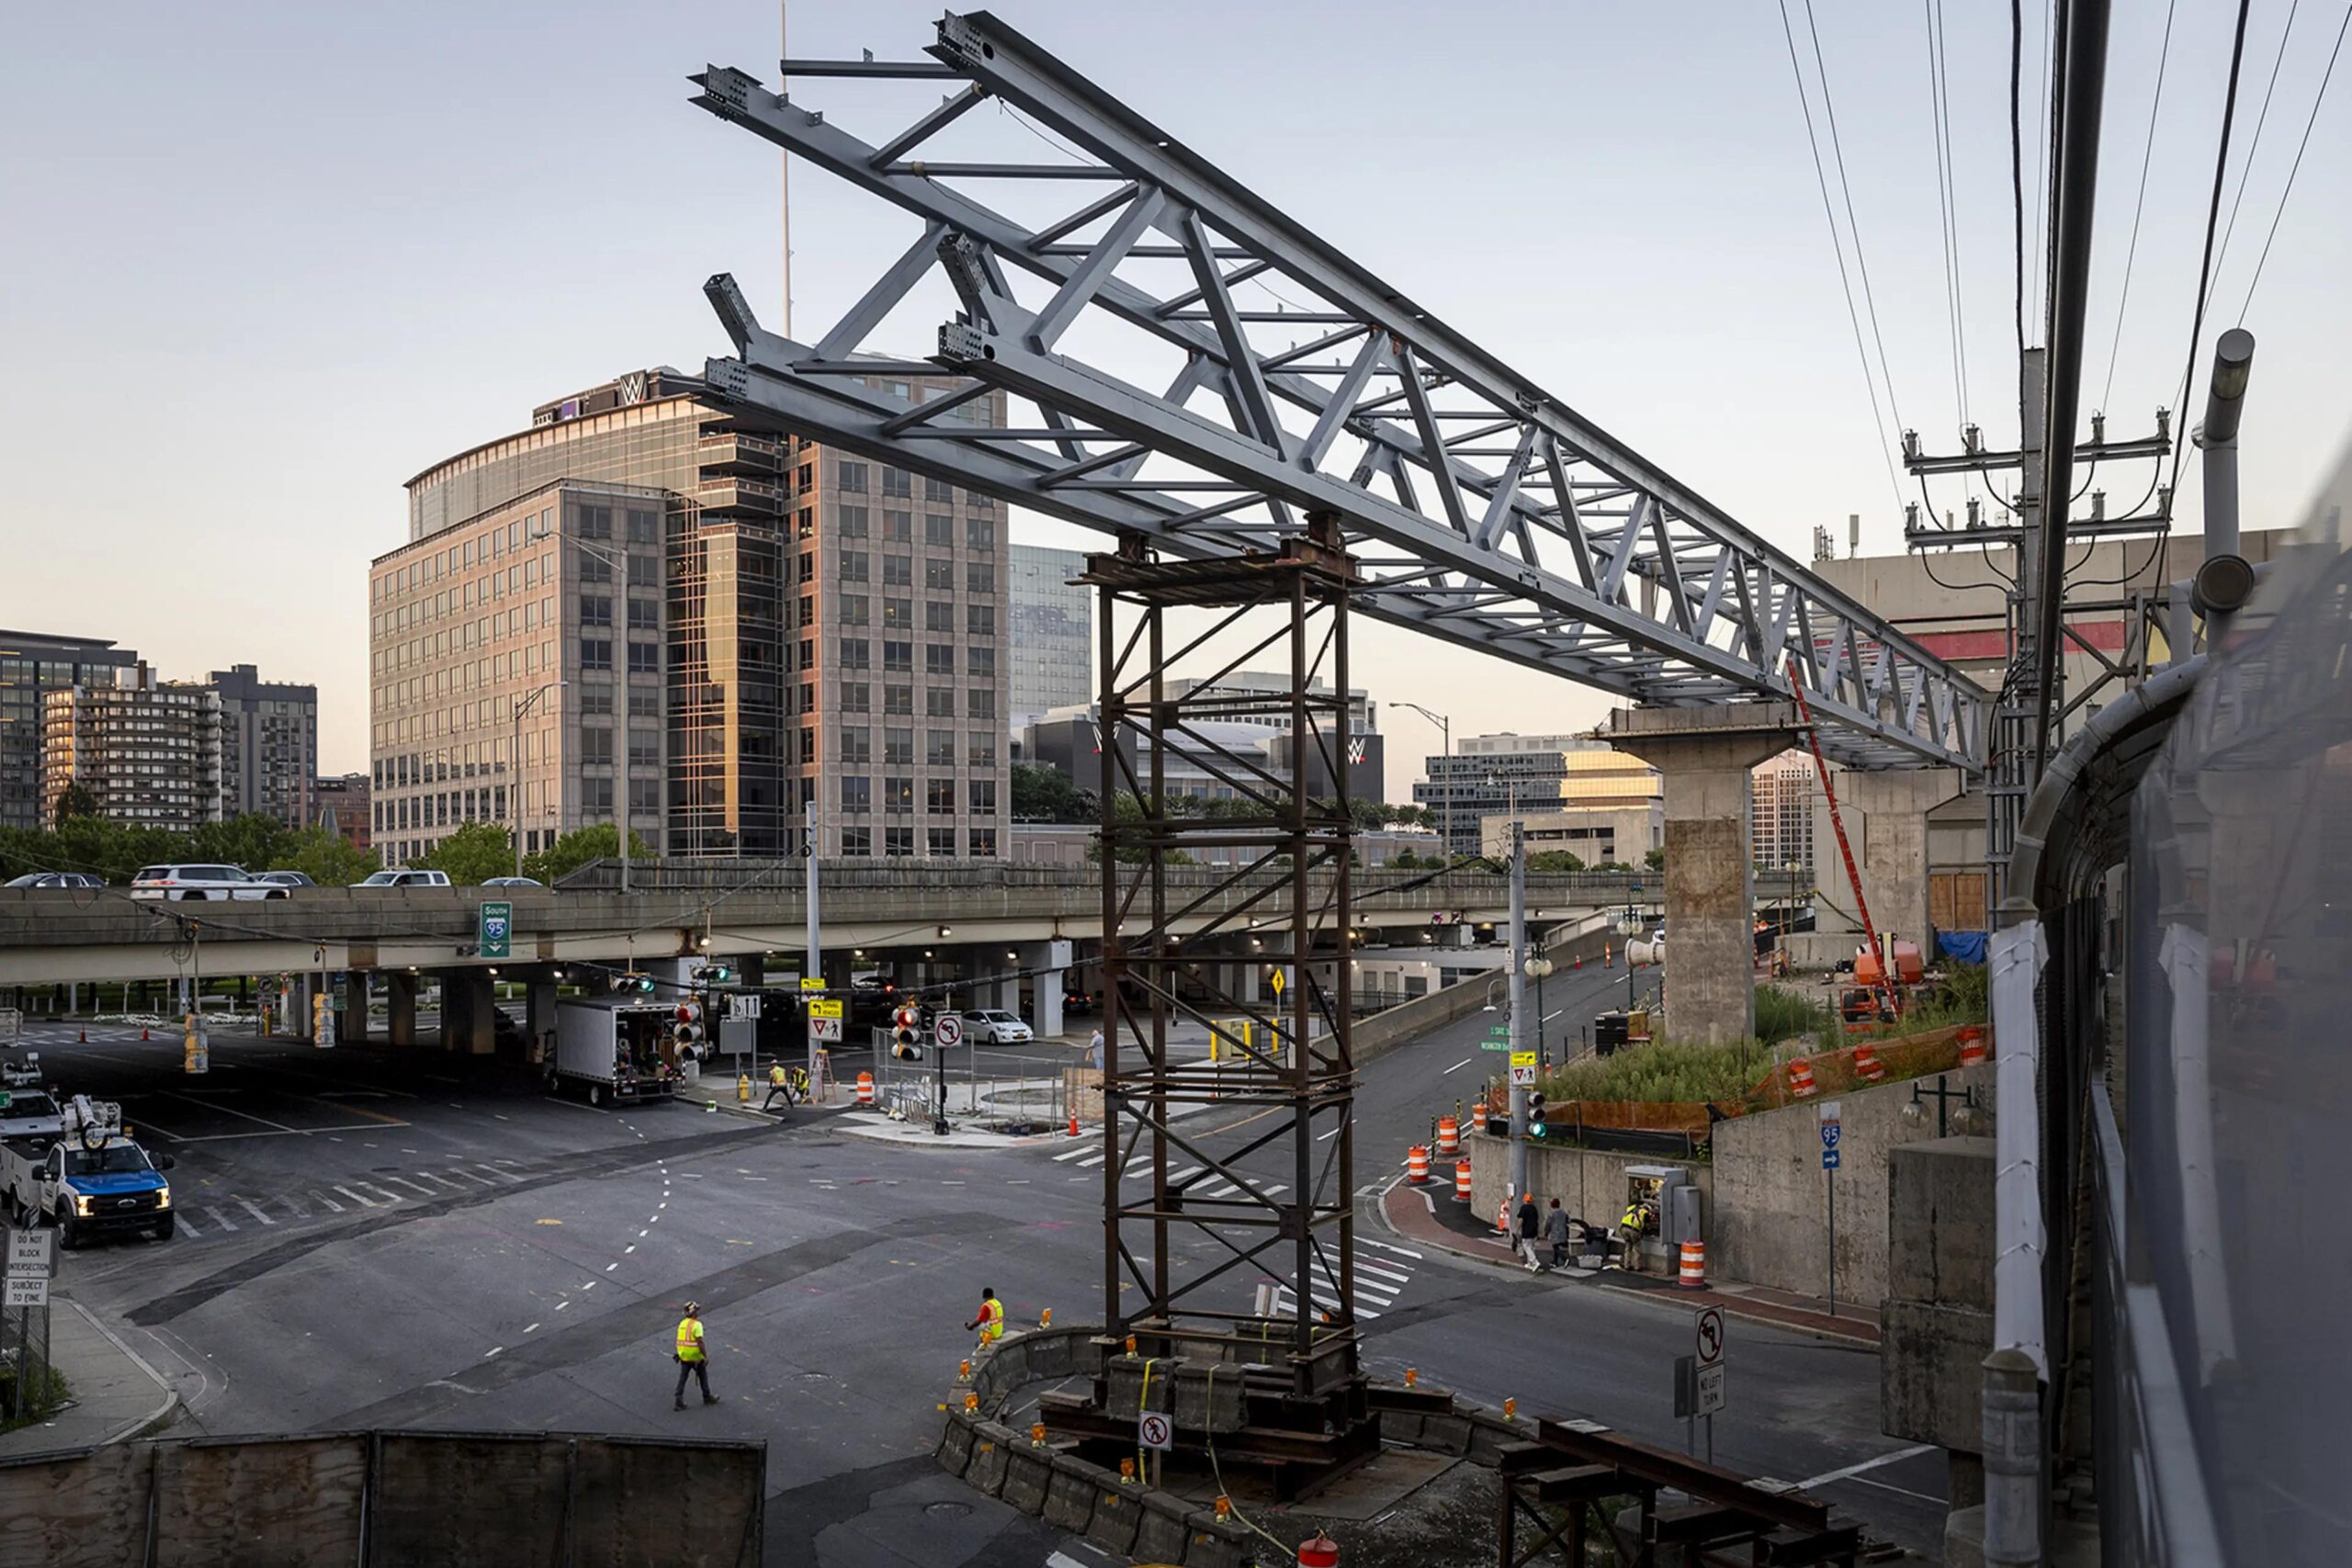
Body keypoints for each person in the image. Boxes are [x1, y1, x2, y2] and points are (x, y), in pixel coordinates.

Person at [673, 1300, 718, 1410]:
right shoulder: (697, 1325)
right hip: (695, 1356)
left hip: (684, 1355)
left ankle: (678, 1398)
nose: (698, 1312)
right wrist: (705, 1356)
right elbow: (700, 1342)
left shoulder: (682, 1323)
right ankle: (707, 1396)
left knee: (683, 1377)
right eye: (696, 1310)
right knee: (702, 1375)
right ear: (693, 1313)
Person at [965, 1286, 1007, 1351]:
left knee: (978, 1344)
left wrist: (970, 1326)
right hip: (999, 1332)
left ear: (983, 1296)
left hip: (990, 1334)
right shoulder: (998, 1303)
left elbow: (979, 1321)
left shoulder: (986, 1306)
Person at [1619, 1199, 1651, 1273]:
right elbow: (1648, 1226)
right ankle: (1638, 1267)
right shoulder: (1645, 1213)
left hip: (1623, 1228)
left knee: (1628, 1247)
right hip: (1634, 1231)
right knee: (1637, 1249)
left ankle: (1627, 1265)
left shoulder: (1631, 1208)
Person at [1543, 1198, 1574, 1269]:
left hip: (1555, 1232)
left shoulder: (1551, 1213)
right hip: (1563, 1232)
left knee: (1556, 1247)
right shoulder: (1563, 1212)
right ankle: (1555, 1262)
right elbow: (1568, 1221)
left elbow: (1548, 1224)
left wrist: (1546, 1232)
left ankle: (1565, 1259)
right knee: (1556, 1247)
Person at [1515, 1193, 1542, 1271]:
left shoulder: (1524, 1208)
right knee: (1532, 1246)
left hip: (1527, 1230)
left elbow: (1521, 1219)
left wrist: (1517, 1229)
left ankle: (1535, 1261)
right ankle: (1530, 1264)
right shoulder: (1534, 1208)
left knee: (1526, 1246)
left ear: (1524, 1200)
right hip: (1534, 1230)